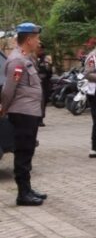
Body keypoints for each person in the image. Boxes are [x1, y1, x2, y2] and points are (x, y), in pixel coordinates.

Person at [0, 23, 48, 206]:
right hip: (22, 113)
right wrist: (4, 108)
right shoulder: (17, 61)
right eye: (36, 38)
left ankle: (27, 189)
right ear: (28, 40)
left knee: (28, 151)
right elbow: (8, 89)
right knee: (23, 152)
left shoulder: (25, 58)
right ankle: (22, 194)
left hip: (30, 112)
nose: (38, 41)